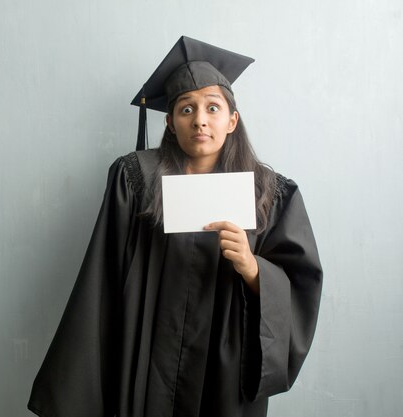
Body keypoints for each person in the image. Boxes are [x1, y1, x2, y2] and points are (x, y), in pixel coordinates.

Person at [28, 36, 323, 417]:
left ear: (231, 120)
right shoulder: (135, 180)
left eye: (212, 108)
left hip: (224, 369)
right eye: (186, 109)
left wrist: (253, 269)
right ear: (170, 122)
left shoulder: (269, 192)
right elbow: (101, 279)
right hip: (147, 357)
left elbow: (300, 283)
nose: (199, 118)